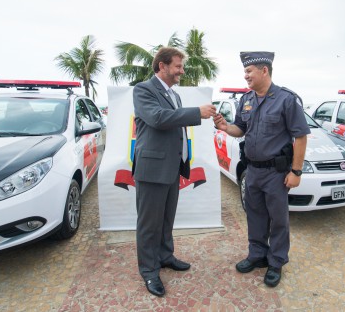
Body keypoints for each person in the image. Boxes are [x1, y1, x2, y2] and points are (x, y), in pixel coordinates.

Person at [213, 51, 309, 287]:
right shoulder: (246, 100)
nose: (245, 76)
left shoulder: (287, 99)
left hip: (276, 173)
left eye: (249, 71)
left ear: (264, 70)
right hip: (252, 170)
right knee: (255, 215)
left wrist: (295, 172)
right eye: (245, 71)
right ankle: (257, 255)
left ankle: (276, 262)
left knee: (278, 219)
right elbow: (240, 129)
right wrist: (226, 127)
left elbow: (301, 137)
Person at [132, 47, 217, 297]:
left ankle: (165, 255)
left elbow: (173, 123)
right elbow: (158, 118)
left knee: (166, 219)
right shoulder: (144, 90)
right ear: (162, 66)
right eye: (178, 66)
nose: (182, 70)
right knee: (149, 224)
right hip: (152, 169)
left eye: (181, 66)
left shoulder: (174, 95)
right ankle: (149, 270)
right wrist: (196, 113)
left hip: (171, 167)